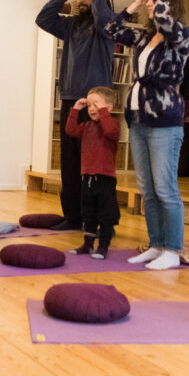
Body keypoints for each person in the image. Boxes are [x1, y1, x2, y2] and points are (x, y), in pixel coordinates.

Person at [101, 0, 189, 270]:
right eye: (150, 0)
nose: (151, 4)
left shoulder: (179, 35)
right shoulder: (144, 38)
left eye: (155, 0)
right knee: (148, 189)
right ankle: (156, 245)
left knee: (166, 189)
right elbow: (110, 29)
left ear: (169, 1)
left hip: (165, 120)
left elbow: (168, 24)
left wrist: (161, 0)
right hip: (138, 118)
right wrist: (135, 4)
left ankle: (173, 250)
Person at [36, 0, 115, 230]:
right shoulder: (70, 26)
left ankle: (97, 218)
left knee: (93, 165)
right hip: (71, 101)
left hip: (94, 104)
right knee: (69, 163)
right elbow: (43, 19)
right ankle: (73, 217)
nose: (81, 0)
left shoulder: (108, 26)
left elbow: (104, 18)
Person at [65, 86, 120, 259]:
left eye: (96, 104)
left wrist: (102, 110)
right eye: (89, 105)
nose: (91, 109)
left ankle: (103, 246)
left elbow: (109, 130)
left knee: (105, 214)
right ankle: (87, 245)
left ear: (108, 108)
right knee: (88, 213)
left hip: (105, 178)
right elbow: (70, 130)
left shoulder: (113, 125)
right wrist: (75, 110)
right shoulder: (87, 126)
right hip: (87, 177)